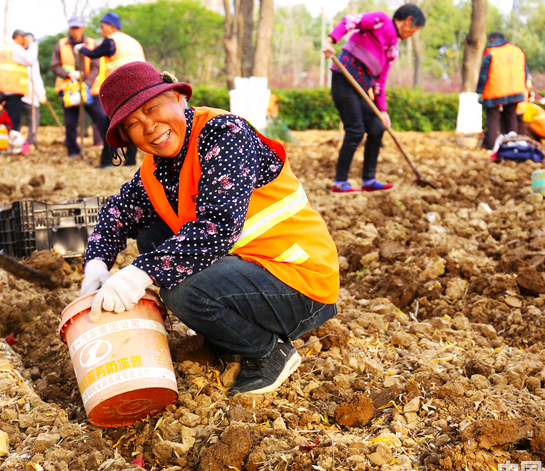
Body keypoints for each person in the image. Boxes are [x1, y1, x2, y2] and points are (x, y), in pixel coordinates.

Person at [80, 62, 340, 395]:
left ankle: (269, 353)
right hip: (251, 269)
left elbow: (218, 226)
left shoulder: (223, 133)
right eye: (133, 123)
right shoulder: (156, 166)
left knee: (182, 290)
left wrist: (137, 274)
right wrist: (96, 266)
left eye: (152, 108)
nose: (149, 127)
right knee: (151, 236)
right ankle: (230, 332)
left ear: (176, 96)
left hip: (300, 281)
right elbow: (118, 213)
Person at [322, 4, 425, 193]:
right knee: (355, 130)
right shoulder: (381, 21)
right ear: (408, 21)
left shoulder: (393, 50)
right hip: (345, 80)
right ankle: (340, 182)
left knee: (377, 127)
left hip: (362, 87)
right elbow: (350, 21)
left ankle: (368, 180)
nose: (412, 34)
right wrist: (330, 41)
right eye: (414, 30)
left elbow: (380, 83)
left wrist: (383, 111)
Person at [76, 11, 146, 166]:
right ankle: (131, 160)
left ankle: (106, 162)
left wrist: (82, 49)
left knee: (109, 127)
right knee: (134, 123)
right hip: (140, 89)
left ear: (112, 26)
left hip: (121, 90)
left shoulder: (111, 40)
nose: (102, 31)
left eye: (103, 27)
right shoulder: (133, 41)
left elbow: (95, 53)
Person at [51, 15, 114, 168]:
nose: (75, 30)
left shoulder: (92, 43)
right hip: (70, 90)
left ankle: (109, 150)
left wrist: (86, 84)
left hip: (90, 89)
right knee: (70, 123)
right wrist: (67, 74)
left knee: (101, 119)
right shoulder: (61, 44)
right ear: (69, 28)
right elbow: (55, 65)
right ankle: (73, 150)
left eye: (78, 27)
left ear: (83, 28)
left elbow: (95, 66)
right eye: (73, 27)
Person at [476, 31, 531, 150]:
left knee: (493, 118)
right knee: (511, 117)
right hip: (516, 90)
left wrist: (479, 91)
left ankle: (491, 147)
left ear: (492, 40)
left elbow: (483, 75)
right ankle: (511, 145)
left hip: (494, 91)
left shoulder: (491, 53)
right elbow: (525, 72)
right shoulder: (518, 51)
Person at [0, 29, 37, 132]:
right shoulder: (15, 48)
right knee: (13, 121)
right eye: (24, 39)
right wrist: (32, 44)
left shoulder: (5, 48)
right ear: (18, 37)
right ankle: (11, 145)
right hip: (13, 90)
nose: (24, 43)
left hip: (2, 89)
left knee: (3, 120)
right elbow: (31, 60)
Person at [21, 32, 46, 148]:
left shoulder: (20, 55)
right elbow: (35, 76)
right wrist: (41, 93)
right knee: (33, 119)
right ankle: (30, 142)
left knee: (20, 120)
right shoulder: (30, 58)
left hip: (20, 93)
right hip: (29, 94)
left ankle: (19, 142)